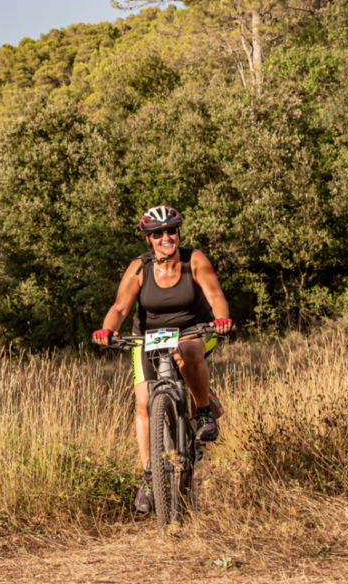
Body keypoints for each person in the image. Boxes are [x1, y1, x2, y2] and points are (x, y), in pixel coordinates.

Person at [92, 205, 233, 513]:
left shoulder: (193, 259)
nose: (166, 237)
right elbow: (119, 308)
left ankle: (205, 413)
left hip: (192, 330)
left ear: (178, 233)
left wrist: (221, 319)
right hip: (149, 337)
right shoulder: (139, 268)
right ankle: (150, 473)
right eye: (158, 234)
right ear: (148, 239)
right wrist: (107, 330)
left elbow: (215, 295)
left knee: (189, 351)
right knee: (143, 402)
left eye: (171, 231)